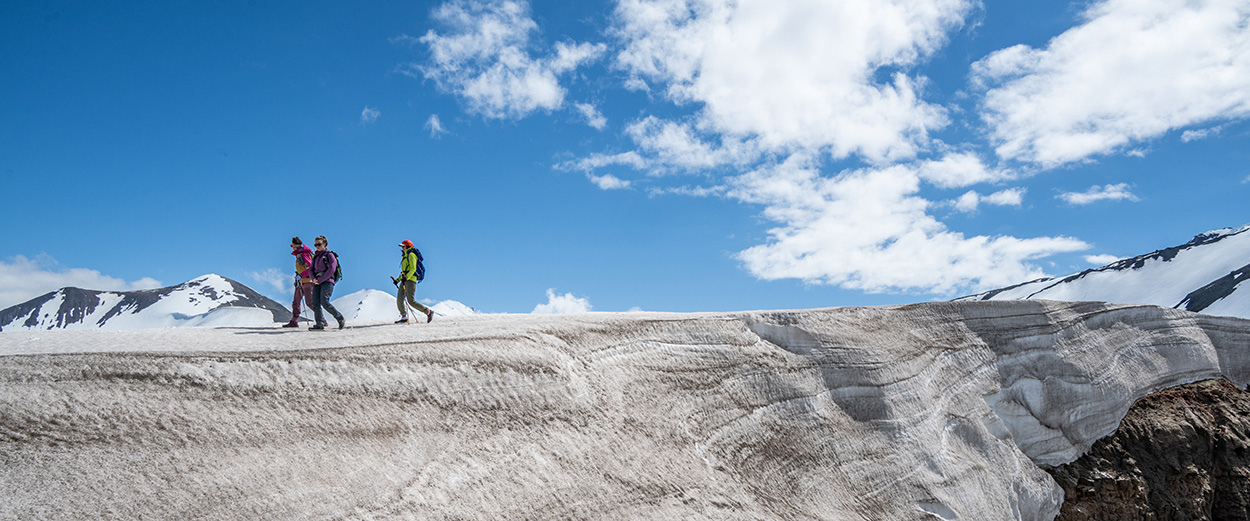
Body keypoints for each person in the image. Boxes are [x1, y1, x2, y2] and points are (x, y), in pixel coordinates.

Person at [310, 235, 345, 330]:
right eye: (315, 244)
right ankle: (319, 324)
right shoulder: (316, 256)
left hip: (327, 282)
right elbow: (311, 269)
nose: (317, 246)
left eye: (319, 244)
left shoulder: (329, 255)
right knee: (315, 303)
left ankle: (339, 318)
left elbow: (332, 270)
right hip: (317, 282)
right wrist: (313, 278)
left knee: (324, 302)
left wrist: (320, 280)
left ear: (325, 244)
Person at [395, 239, 434, 323]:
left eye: (403, 246)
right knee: (399, 298)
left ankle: (428, 312)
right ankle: (404, 317)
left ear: (407, 246)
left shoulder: (411, 255)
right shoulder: (405, 256)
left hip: (411, 280)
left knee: (411, 301)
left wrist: (407, 277)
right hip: (405, 279)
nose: (402, 248)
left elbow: (413, 269)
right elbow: (404, 271)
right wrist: (397, 280)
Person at [283, 237, 315, 328]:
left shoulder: (304, 254)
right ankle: (294, 321)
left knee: (309, 302)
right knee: (296, 302)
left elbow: (310, 268)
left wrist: (301, 275)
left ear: (295, 245)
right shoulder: (299, 254)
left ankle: (321, 319)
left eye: (291, 245)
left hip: (307, 281)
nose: (291, 247)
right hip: (301, 281)